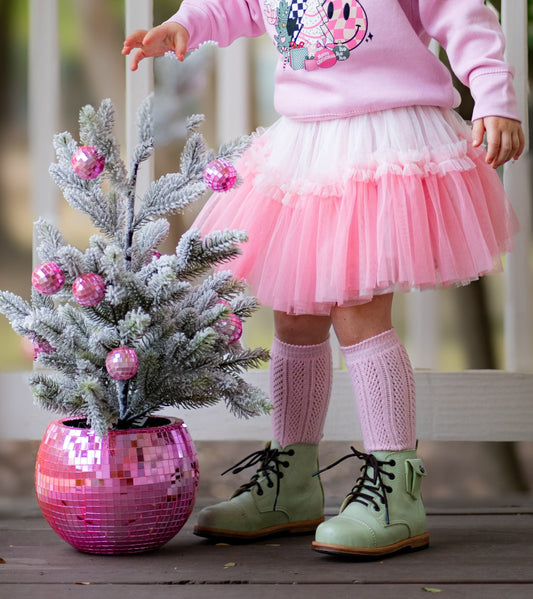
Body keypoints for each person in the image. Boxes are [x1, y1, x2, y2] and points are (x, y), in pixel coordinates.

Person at [123, 0, 525, 558]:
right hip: (306, 142)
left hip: (385, 136)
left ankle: (396, 487)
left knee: (357, 308)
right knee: (296, 312)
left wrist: (496, 97)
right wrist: (185, 24)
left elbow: (460, 12)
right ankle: (292, 479)